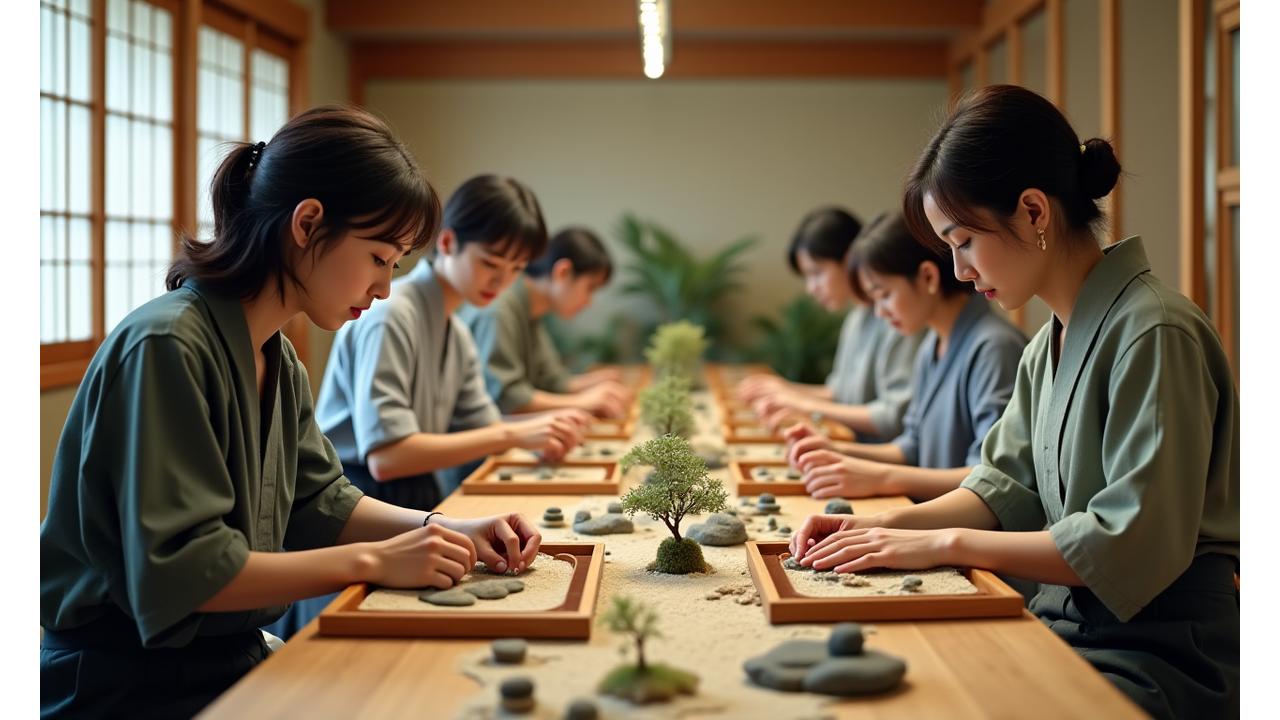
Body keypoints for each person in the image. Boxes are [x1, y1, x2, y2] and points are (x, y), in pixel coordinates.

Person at [40, 106, 543, 718]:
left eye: (397, 266)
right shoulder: (167, 346)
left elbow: (322, 502)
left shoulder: (276, 357)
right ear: (307, 224)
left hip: (222, 659)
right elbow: (186, 572)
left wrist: (443, 526)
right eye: (380, 258)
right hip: (126, 685)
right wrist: (376, 560)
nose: (385, 287)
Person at [790, 85, 1238, 718]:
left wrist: (946, 544)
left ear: (1033, 211)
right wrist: (876, 527)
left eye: (963, 241)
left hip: (1158, 654)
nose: (960, 270)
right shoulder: (1046, 343)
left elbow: (1130, 539)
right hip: (1068, 628)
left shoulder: (1155, 330)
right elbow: (1001, 487)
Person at [314, 174, 589, 514]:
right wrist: (515, 435)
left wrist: (544, 431)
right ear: (447, 243)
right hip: (356, 498)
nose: (501, 281)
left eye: (516, 268)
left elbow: (485, 428)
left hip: (414, 491)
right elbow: (388, 458)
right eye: (489, 262)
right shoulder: (390, 314)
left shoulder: (456, 331)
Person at [786, 211, 1027, 501]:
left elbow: (989, 476)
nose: (880, 312)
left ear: (927, 277)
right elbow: (911, 446)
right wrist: (834, 450)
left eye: (884, 294)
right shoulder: (932, 345)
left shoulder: (994, 346)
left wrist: (880, 477)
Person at [736, 207, 922, 443]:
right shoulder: (856, 318)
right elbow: (840, 393)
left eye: (817, 273)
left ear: (849, 259)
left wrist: (801, 401)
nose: (811, 288)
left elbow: (894, 416)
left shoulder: (898, 317)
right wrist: (785, 390)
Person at [462, 226, 631, 418]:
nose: (589, 302)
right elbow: (507, 398)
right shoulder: (499, 310)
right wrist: (583, 402)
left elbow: (551, 380)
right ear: (563, 272)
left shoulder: (530, 309)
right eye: (590, 288)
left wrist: (593, 384)